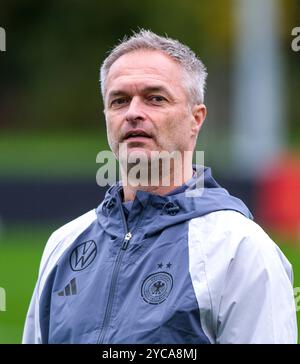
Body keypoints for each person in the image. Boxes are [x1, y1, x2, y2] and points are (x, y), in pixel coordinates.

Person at [23, 29, 297, 344]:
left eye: (155, 98)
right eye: (119, 100)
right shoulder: (63, 245)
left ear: (196, 118)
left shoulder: (240, 249)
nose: (133, 113)